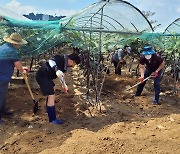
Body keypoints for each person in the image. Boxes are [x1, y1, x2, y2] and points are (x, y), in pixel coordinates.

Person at [36, 52, 81, 125]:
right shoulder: (60, 58)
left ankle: (49, 108)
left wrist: (64, 84)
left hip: (48, 77)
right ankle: (52, 119)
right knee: (51, 96)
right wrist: (56, 69)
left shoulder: (65, 66)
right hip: (43, 76)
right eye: (74, 64)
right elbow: (51, 61)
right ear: (72, 61)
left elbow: (60, 75)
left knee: (51, 91)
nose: (73, 66)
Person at [0, 33, 28, 123]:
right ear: (15, 43)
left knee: (2, 94)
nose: (19, 46)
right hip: (2, 77)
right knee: (0, 96)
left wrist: (22, 68)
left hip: (2, 74)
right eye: (19, 44)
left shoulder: (4, 46)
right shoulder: (12, 50)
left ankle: (3, 110)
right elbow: (17, 64)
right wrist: (22, 70)